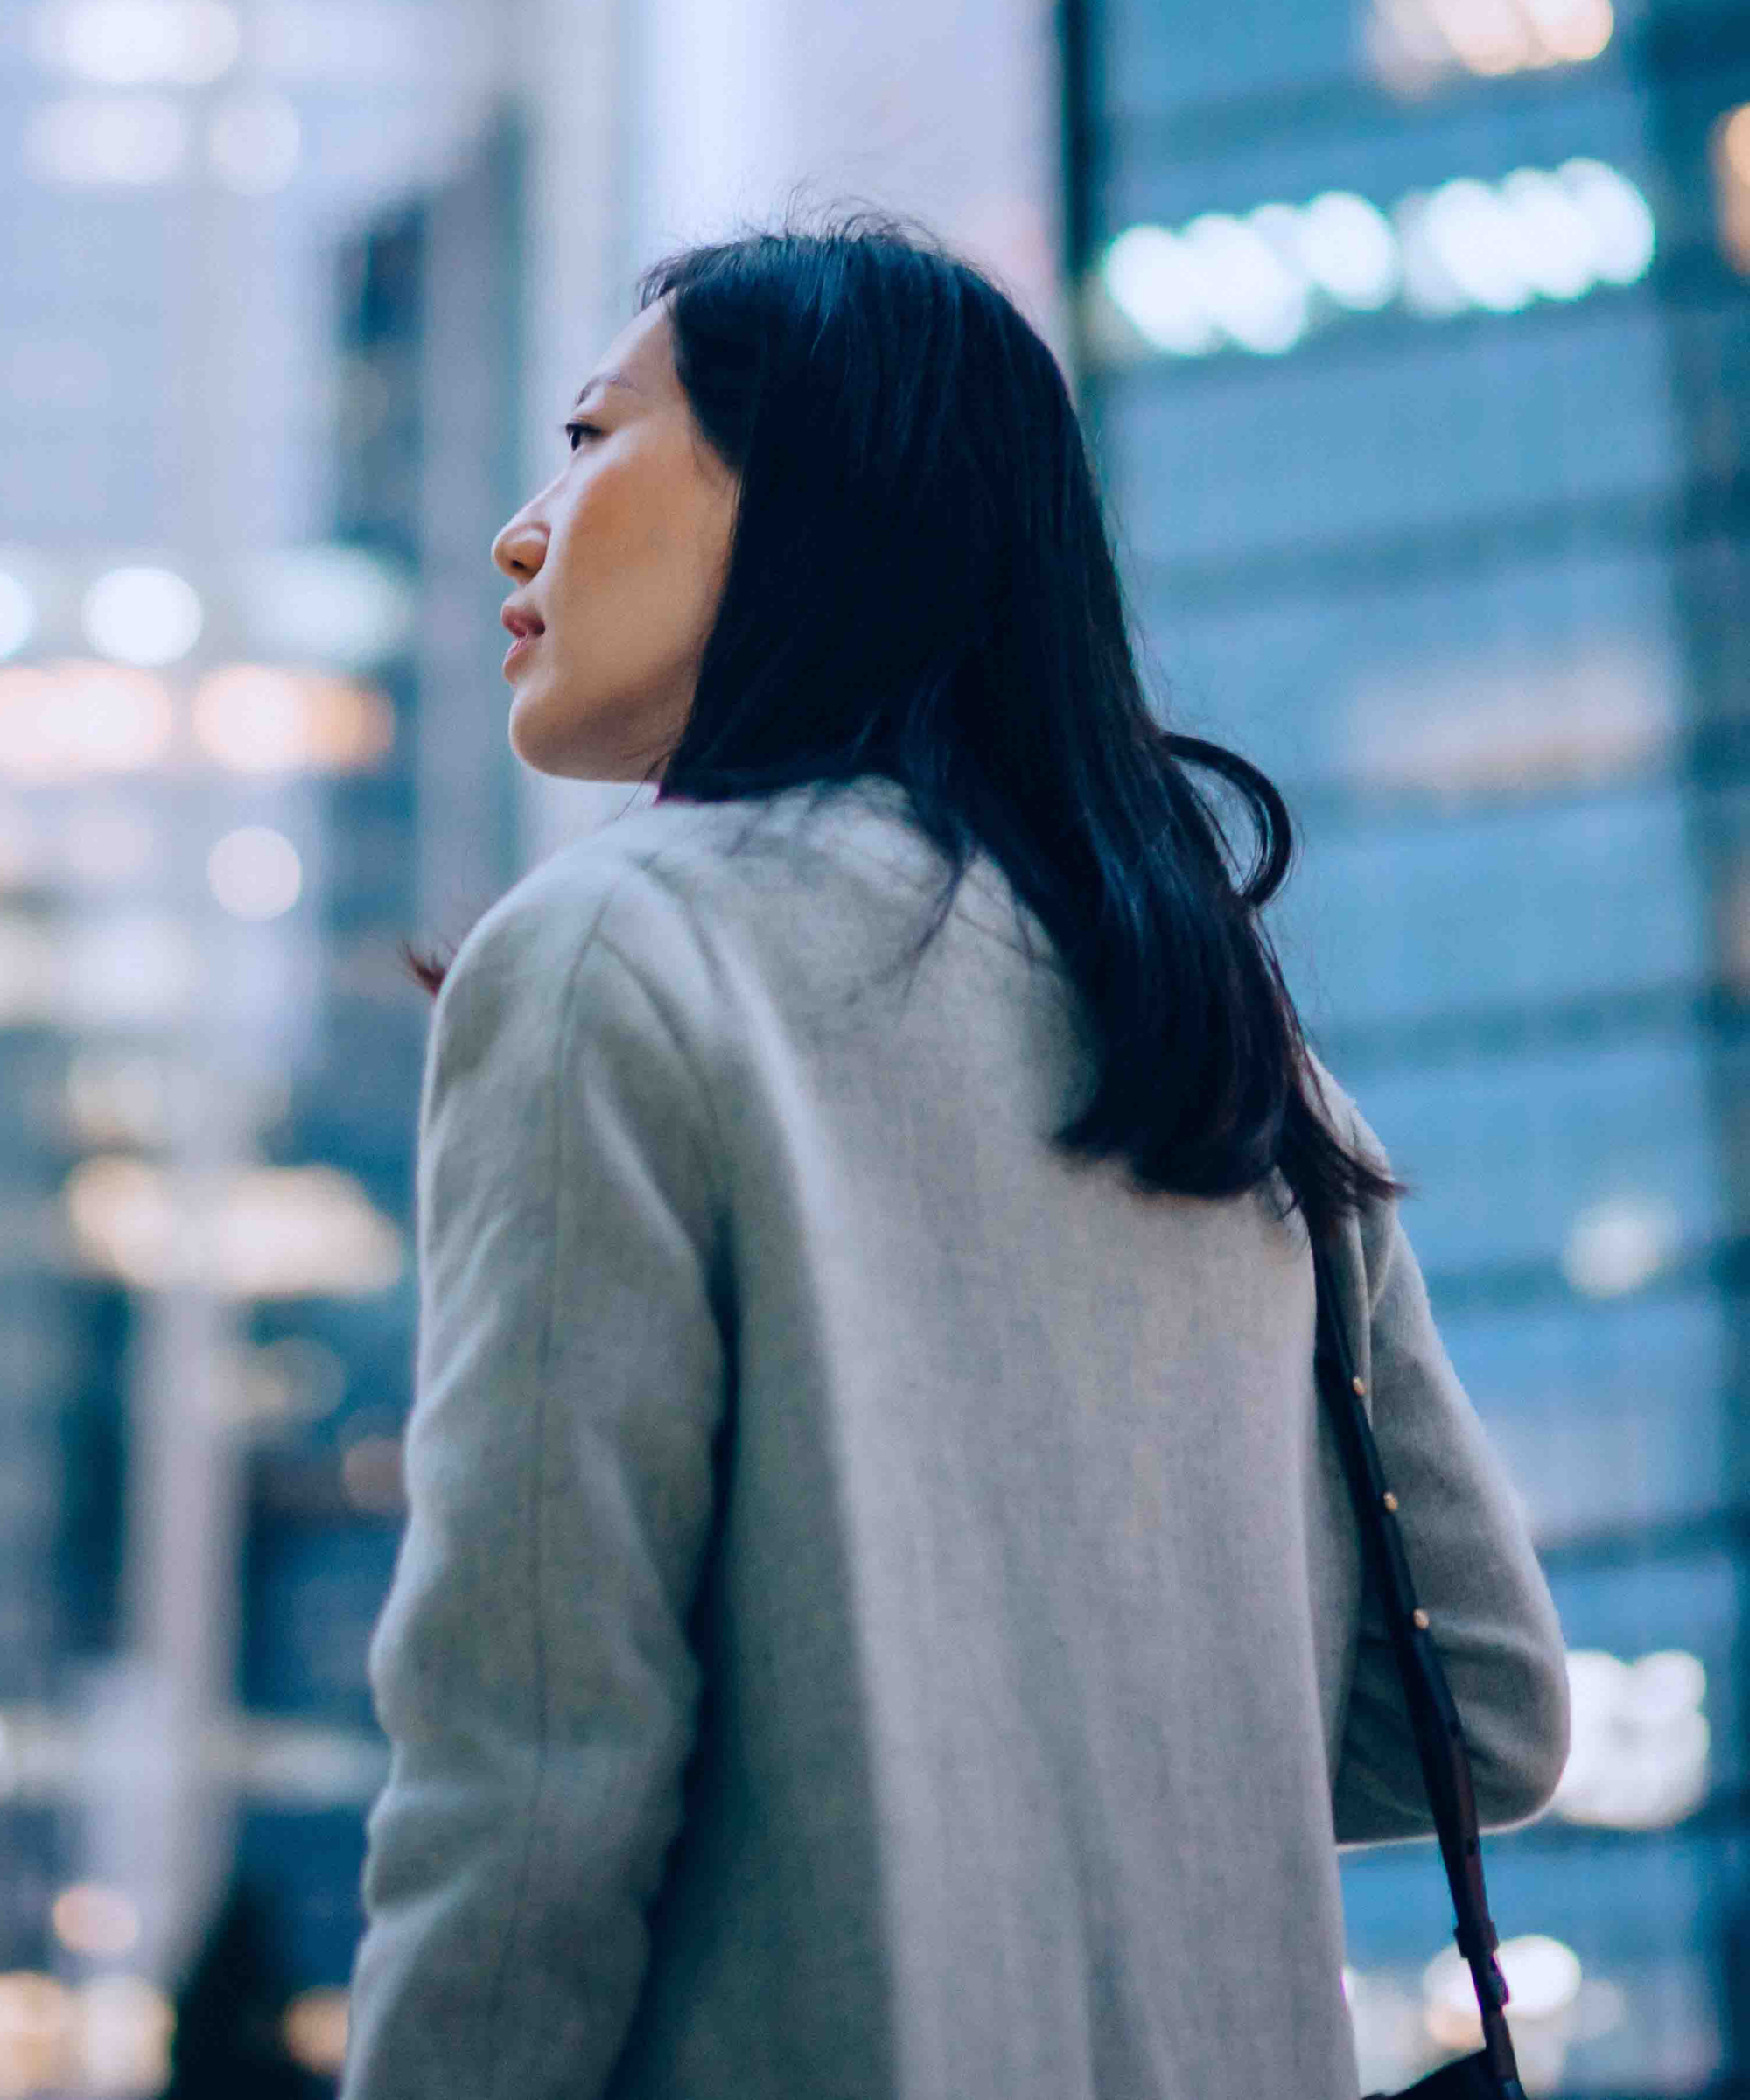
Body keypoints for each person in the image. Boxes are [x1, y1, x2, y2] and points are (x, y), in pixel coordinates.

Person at [338, 206, 1571, 2100]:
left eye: (593, 440)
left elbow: (528, 1776)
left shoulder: (623, 947)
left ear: (822, 487)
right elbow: (1477, 1713)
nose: (524, 526)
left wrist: (890, 1735)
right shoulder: (1219, 1035)